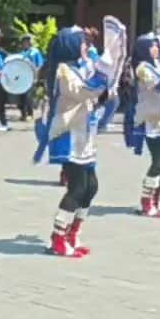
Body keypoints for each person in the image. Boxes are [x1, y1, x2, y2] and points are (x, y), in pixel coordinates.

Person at [32, 26, 121, 257]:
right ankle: (58, 238)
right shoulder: (63, 71)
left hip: (84, 136)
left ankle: (73, 232)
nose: (87, 46)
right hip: (69, 136)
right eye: (82, 42)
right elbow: (84, 91)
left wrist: (109, 85)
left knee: (91, 187)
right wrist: (104, 74)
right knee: (77, 188)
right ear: (71, 45)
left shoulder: (82, 66)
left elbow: (96, 94)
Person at [123, 34, 160, 218]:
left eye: (157, 46)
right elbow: (158, 87)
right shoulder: (142, 68)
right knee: (159, 161)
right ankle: (146, 202)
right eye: (153, 46)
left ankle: (158, 199)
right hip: (150, 121)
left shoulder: (158, 66)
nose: (157, 49)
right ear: (144, 49)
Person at [15, 35, 44, 121]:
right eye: (24, 42)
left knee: (28, 96)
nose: (25, 44)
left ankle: (30, 113)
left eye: (27, 42)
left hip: (31, 77)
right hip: (21, 77)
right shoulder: (21, 53)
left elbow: (39, 65)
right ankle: (23, 114)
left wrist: (36, 77)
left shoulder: (35, 52)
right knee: (21, 96)